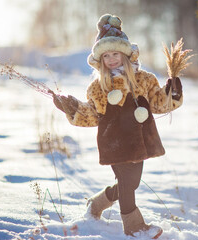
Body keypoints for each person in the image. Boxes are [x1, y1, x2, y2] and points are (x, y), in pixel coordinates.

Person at [52, 14, 183, 238]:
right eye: (106, 55)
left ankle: (97, 203)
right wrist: (72, 108)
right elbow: (92, 115)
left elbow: (159, 104)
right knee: (126, 181)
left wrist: (173, 93)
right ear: (100, 59)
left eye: (116, 54)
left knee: (132, 184)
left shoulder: (143, 79)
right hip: (113, 141)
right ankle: (134, 228)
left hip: (139, 140)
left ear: (125, 54)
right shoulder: (98, 87)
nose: (112, 59)